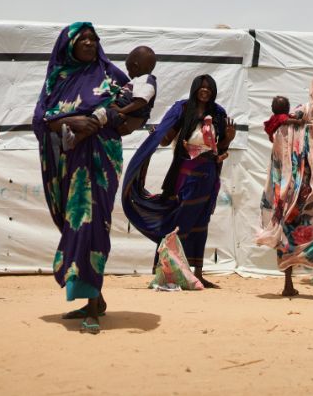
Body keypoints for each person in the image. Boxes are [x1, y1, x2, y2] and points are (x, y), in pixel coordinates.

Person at [32, 22, 132, 334]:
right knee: (75, 223)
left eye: (93, 38)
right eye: (82, 39)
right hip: (69, 162)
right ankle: (95, 298)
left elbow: (131, 112)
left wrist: (100, 121)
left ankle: (91, 307)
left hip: (101, 163)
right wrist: (70, 120)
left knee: (91, 224)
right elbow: (40, 119)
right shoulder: (57, 80)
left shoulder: (112, 76)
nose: (89, 43)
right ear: (69, 44)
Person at [122, 75, 235, 289]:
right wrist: (159, 132)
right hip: (186, 175)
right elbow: (166, 140)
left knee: (201, 223)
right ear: (194, 89)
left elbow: (220, 149)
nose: (205, 91)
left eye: (209, 88)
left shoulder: (218, 113)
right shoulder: (183, 109)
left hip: (208, 173)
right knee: (179, 223)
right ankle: (167, 271)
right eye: (201, 87)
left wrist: (228, 138)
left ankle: (198, 274)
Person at [256, 74, 313, 300]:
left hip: (295, 180)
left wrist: (297, 126)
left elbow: (277, 124)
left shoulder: (306, 111)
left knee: (297, 225)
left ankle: (291, 284)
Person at [62, 45, 157, 148]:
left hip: (120, 115)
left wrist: (122, 110)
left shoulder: (147, 80)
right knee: (96, 120)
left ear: (135, 66)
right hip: (121, 115)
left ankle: (75, 138)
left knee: (98, 116)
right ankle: (74, 136)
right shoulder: (139, 80)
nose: (129, 74)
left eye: (129, 70)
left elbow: (142, 102)